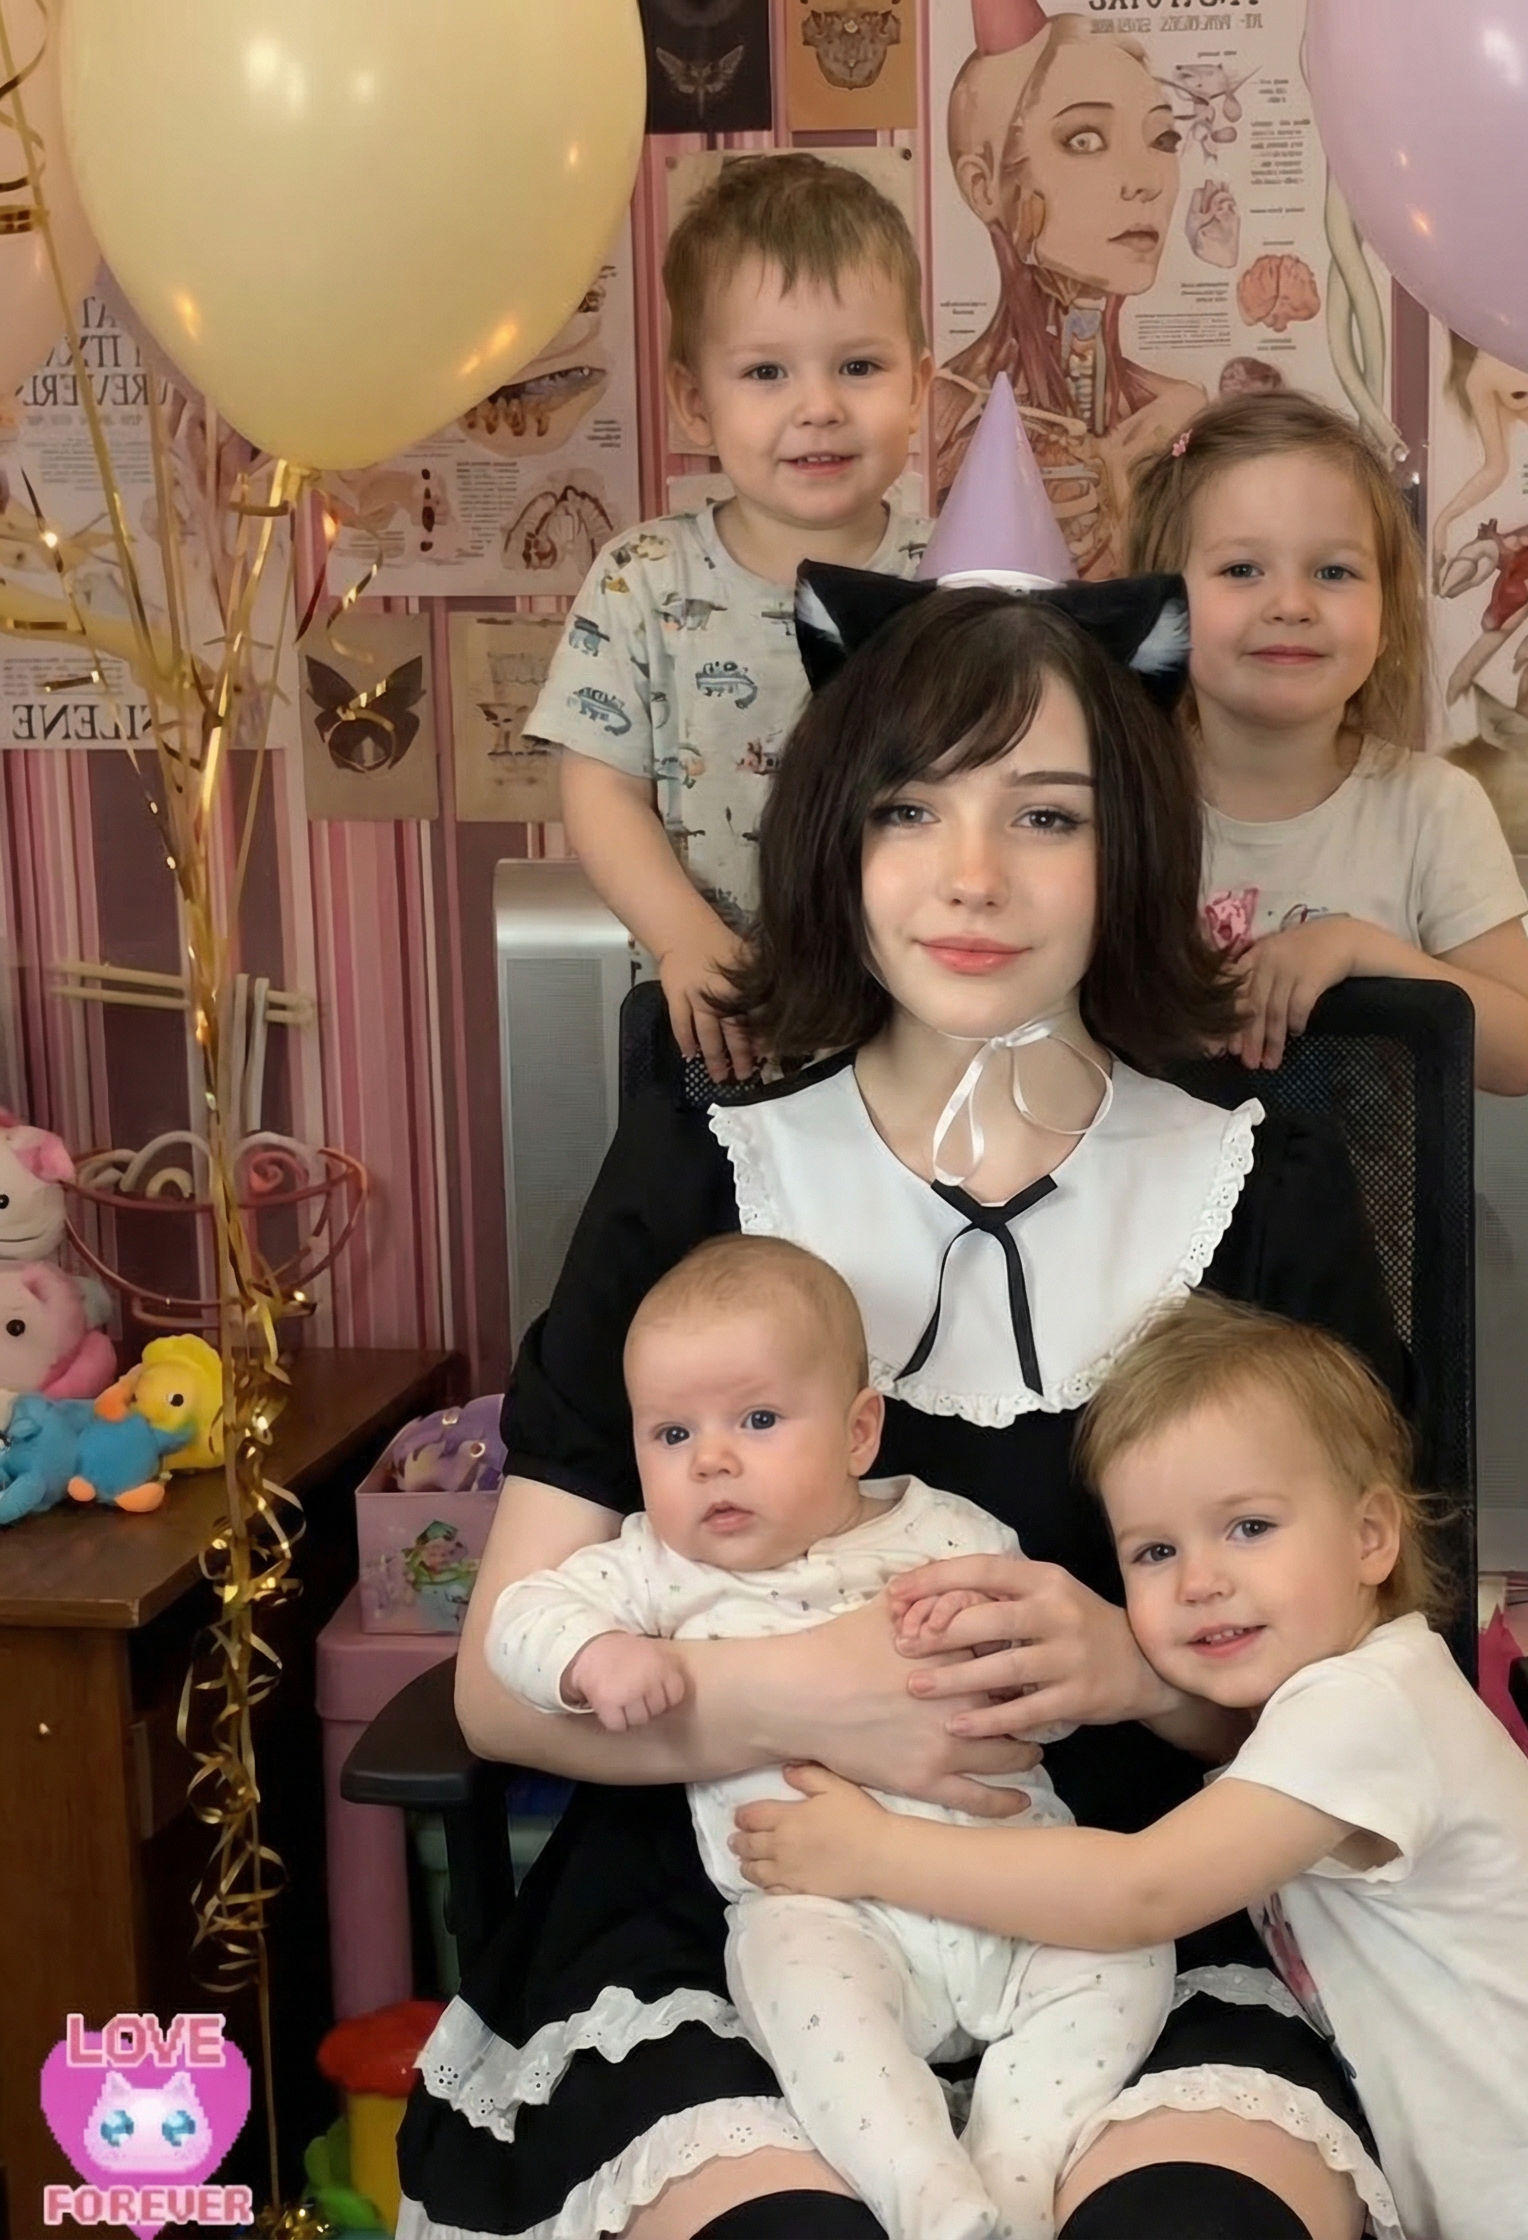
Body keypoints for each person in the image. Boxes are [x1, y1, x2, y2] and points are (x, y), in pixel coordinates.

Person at [397, 570, 1413, 2240]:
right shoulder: (702, 1155)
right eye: (910, 809)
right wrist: (812, 1695)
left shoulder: (1262, 1176)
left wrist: (1136, 1674)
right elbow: (500, 1693)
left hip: (1156, 1892)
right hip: (733, 1885)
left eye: (1047, 816)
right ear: (837, 839)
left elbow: (1370, 1702)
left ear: (1133, 846)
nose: (972, 876)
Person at [734, 1294, 1528, 2240]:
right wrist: (1151, 1691)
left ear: (1370, 1536)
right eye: (1155, 1551)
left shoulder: (1367, 1708)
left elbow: (1141, 1890)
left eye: (1248, 1526)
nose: (1200, 1580)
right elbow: (1251, 1761)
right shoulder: (1349, 1702)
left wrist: (874, 1852)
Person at [486, 1232, 1173, 2240]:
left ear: (858, 1432)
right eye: (670, 1434)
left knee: (1129, 1950)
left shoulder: (952, 1535)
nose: (711, 1459)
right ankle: (925, 2188)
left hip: (1013, 1882)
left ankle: (1016, 2160)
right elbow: (516, 1620)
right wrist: (593, 1657)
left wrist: (1005, 1657)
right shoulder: (656, 1568)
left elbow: (1056, 1701)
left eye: (758, 1419)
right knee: (795, 1986)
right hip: (827, 1906)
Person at [533, 153, 933, 1081]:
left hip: (926, 1028)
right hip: (720, 1020)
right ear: (693, 401)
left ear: (918, 386)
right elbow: (601, 790)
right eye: (765, 371)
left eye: (859, 366)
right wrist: (683, 936)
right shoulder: (641, 581)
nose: (819, 407)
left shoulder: (959, 580)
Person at [1128, 392, 1528, 1094]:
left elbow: (1523, 1055)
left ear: (1386, 617)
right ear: (1163, 606)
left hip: (1365, 1172)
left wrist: (1362, 950)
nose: (1292, 605)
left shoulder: (1432, 809)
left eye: (1334, 572)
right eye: (1241, 570)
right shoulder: (1117, 805)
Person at [935, 0, 1203, 580]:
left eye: (1162, 138)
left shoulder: (1181, 417)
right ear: (983, 186)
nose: (1146, 181)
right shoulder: (939, 418)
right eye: (1083, 140)